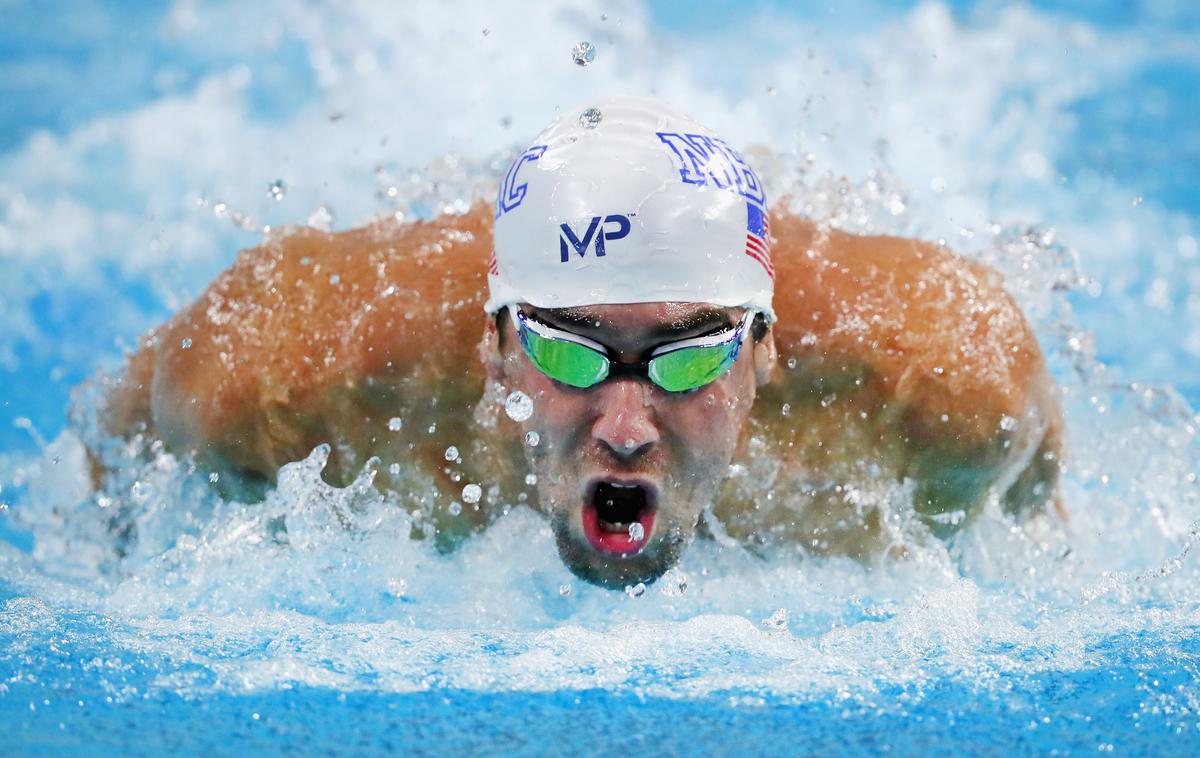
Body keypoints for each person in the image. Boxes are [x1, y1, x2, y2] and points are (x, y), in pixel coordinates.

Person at [90, 96, 1062, 588]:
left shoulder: (947, 393)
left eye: (686, 357)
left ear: (766, 348)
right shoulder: (280, 380)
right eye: (567, 352)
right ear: (495, 344)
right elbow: (112, 459)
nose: (627, 426)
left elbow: (1041, 546)